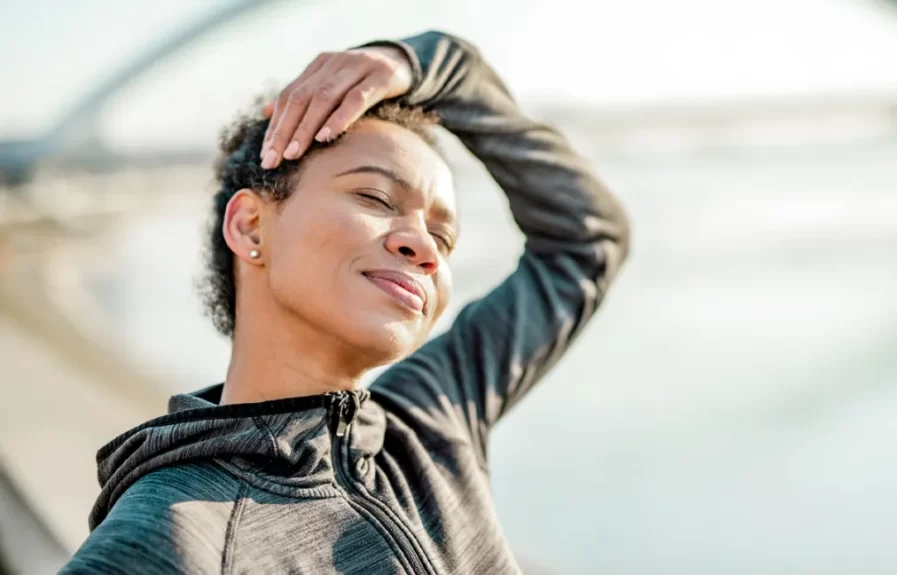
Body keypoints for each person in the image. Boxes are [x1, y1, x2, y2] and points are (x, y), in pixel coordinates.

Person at [61, 30, 630, 574]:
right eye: (375, 196)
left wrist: (432, 66)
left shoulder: (433, 420)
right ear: (251, 226)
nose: (424, 246)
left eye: (444, 237)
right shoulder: (177, 533)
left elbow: (587, 240)